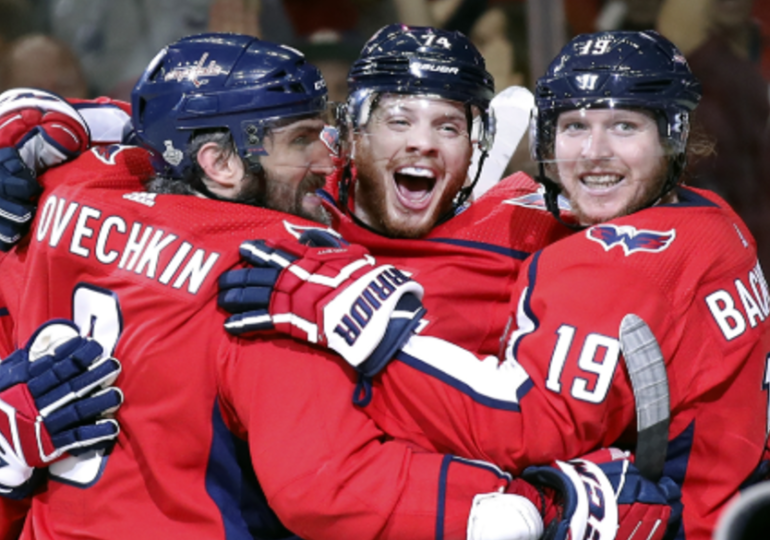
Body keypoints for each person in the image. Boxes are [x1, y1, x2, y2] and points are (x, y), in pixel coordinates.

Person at [0, 31, 675, 540]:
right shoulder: (274, 265)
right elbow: (325, 486)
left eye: (448, 124)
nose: (324, 158)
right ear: (220, 162)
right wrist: (539, 507)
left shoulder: (69, 188)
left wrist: (73, 116)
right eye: (301, 140)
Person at [228, 30, 770, 540]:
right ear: (348, 133)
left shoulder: (596, 251)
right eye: (576, 127)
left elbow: (527, 422)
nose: (594, 151)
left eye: (625, 126)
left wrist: (360, 321)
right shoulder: (713, 219)